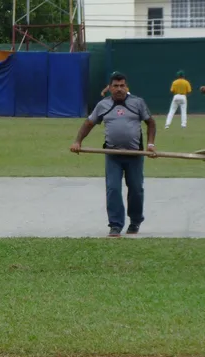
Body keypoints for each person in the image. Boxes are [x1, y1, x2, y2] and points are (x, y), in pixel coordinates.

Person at [71, 72, 157, 237]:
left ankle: (135, 221)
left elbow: (150, 122)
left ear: (127, 87)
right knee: (113, 189)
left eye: (122, 86)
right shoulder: (103, 105)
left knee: (136, 189)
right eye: (116, 86)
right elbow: (89, 123)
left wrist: (150, 145)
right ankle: (115, 225)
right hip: (112, 155)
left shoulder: (137, 103)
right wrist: (77, 141)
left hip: (135, 155)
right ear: (109, 88)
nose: (119, 89)